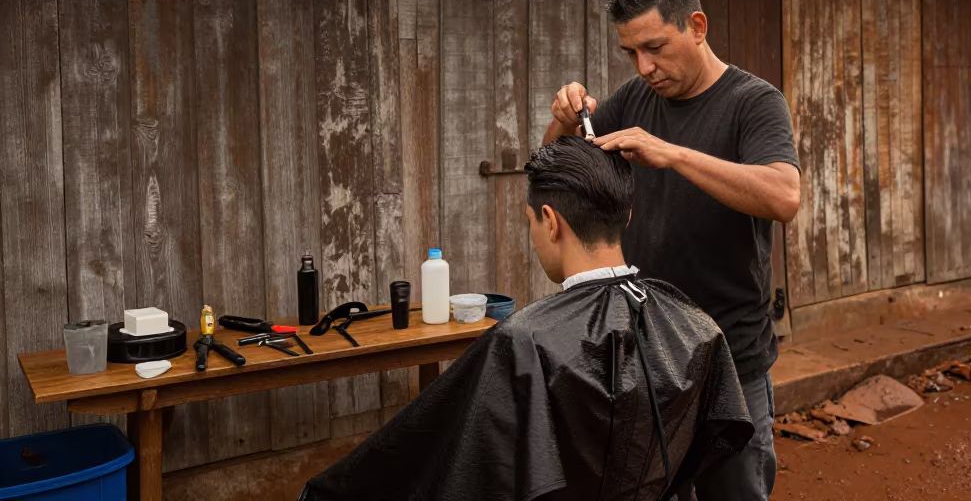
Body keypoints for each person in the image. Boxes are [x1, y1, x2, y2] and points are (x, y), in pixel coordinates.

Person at [299, 137, 754, 501]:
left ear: (550, 221)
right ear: (627, 215)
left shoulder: (523, 341)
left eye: (530, 223)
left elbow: (446, 466)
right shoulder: (696, 326)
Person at [544, 0, 801, 501]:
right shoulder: (635, 100)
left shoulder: (753, 103)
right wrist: (565, 120)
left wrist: (675, 155)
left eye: (655, 47)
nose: (644, 66)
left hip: (728, 361)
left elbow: (784, 196)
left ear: (697, 27)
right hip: (647, 358)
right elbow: (553, 166)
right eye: (631, 52)